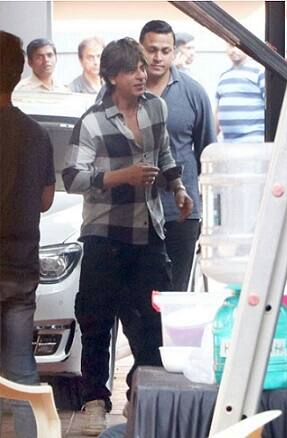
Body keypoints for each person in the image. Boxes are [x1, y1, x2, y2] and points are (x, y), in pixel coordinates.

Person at [62, 37, 192, 436]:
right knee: (97, 320)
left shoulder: (156, 107)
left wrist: (178, 188)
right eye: (131, 70)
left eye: (142, 68)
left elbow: (165, 153)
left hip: (148, 230)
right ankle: (94, 401)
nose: (141, 75)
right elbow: (72, 177)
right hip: (104, 234)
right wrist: (122, 176)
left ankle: (142, 398)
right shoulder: (93, 120)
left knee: (152, 323)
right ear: (111, 76)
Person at [0, 31, 55, 438]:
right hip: (20, 268)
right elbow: (46, 200)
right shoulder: (35, 134)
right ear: (18, 74)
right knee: (21, 369)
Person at [139, 20, 216, 291]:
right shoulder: (122, 90)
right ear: (140, 50)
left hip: (180, 212)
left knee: (174, 293)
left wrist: (207, 210)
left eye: (165, 50)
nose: (158, 57)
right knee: (135, 297)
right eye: (151, 50)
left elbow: (208, 153)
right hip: (131, 210)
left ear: (174, 52)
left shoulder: (193, 93)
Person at [215, 43, 265, 143]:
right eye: (230, 46)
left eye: (237, 46)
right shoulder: (223, 76)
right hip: (228, 143)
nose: (233, 50)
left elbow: (272, 108)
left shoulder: (259, 72)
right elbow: (217, 112)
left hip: (254, 141)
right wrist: (210, 139)